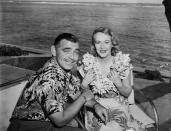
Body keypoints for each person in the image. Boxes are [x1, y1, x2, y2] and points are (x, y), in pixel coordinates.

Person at [7, 33, 108, 131]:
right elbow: (60, 120)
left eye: (76, 52)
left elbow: (77, 94)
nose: (72, 57)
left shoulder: (63, 71)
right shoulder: (48, 78)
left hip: (45, 124)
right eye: (66, 50)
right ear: (54, 51)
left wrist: (96, 105)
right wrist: (84, 97)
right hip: (27, 127)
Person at [78, 27, 145, 131]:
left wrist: (119, 84)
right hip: (96, 109)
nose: (102, 46)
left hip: (119, 109)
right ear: (94, 45)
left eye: (106, 42)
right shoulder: (87, 64)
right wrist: (84, 85)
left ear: (112, 43)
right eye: (98, 42)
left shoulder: (122, 63)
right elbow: (80, 96)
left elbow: (127, 93)